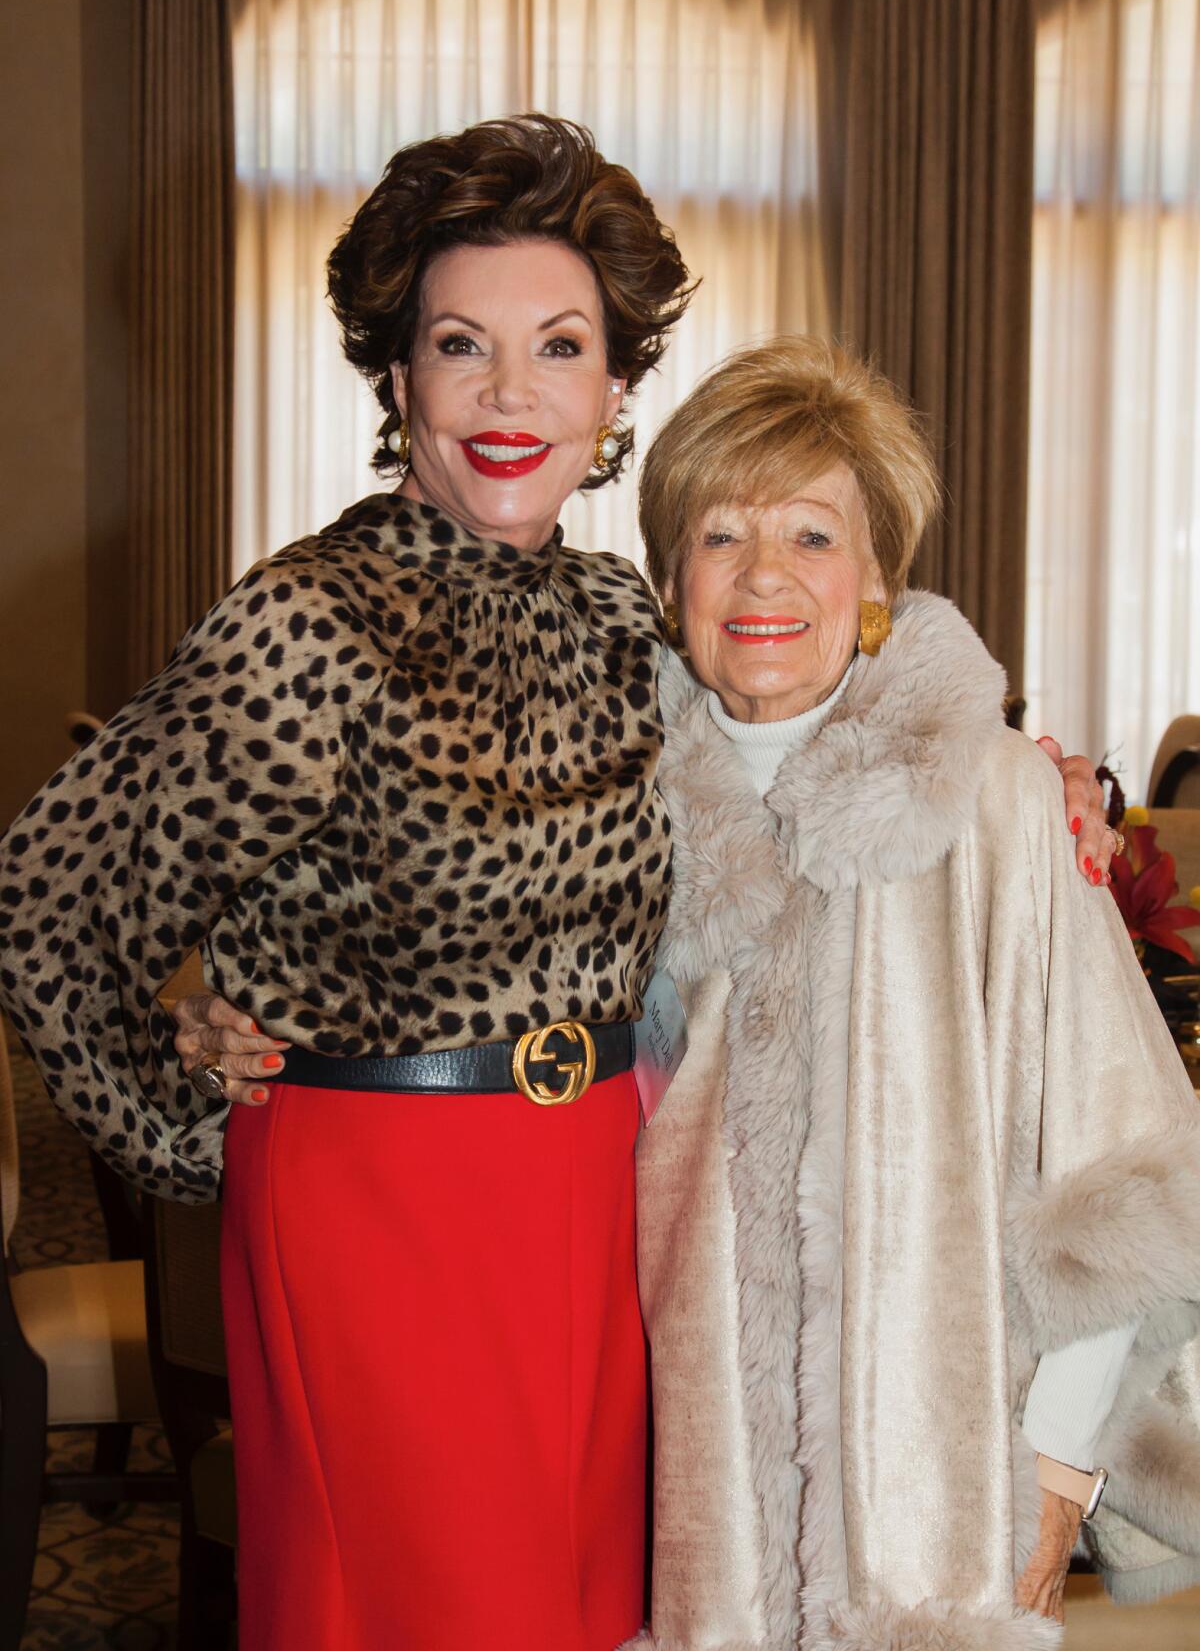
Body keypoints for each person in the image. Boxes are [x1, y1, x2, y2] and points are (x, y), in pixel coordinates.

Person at [0, 119, 1106, 1651]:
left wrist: (1020, 775)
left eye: (560, 348)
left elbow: (799, 716)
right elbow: (49, 899)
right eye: (462, 346)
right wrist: (184, 1112)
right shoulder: (309, 622)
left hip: (611, 1198)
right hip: (386, 1210)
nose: (511, 396)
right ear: (400, 380)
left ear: (616, 391)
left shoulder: (617, 614)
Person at [627, 337, 1200, 1650]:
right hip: (684, 1504)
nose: (764, 574)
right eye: (720, 534)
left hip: (946, 1522)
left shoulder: (993, 799)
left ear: (877, 576)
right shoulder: (610, 828)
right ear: (669, 581)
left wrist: (1052, 1494)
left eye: (812, 534)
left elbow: (1122, 1182)